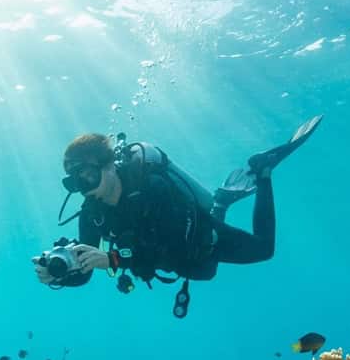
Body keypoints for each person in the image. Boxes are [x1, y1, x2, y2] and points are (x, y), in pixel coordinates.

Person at [34, 116, 322, 318]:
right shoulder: (92, 212)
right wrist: (59, 274)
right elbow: (84, 272)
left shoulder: (151, 187)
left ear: (109, 166)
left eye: (88, 177)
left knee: (263, 249)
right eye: (76, 184)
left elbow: (171, 243)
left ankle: (263, 172)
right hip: (179, 267)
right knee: (202, 273)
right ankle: (221, 201)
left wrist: (113, 260)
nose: (85, 189)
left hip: (199, 241)